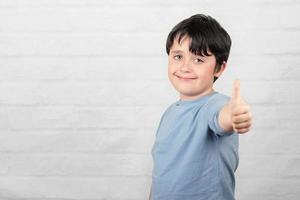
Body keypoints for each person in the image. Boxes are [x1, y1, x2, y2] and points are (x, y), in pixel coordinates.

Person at [149, 14, 252, 200]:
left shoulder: (215, 105)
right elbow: (160, 173)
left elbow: (223, 117)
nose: (185, 67)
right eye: (178, 56)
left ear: (219, 68)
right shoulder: (170, 113)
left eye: (198, 60)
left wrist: (235, 116)